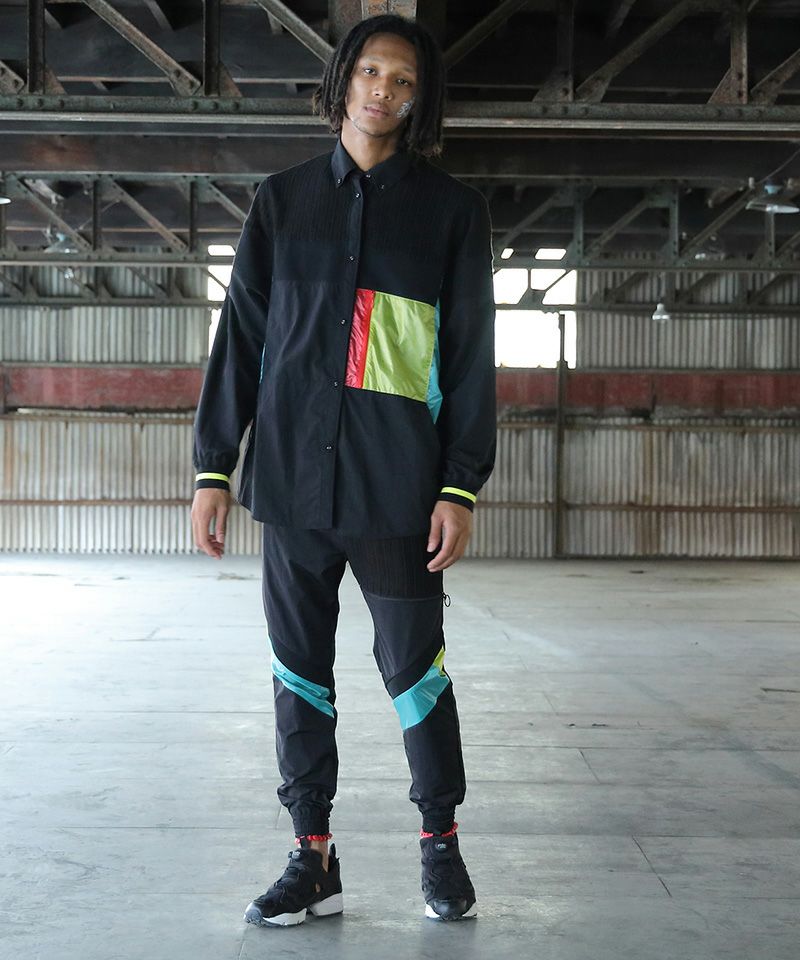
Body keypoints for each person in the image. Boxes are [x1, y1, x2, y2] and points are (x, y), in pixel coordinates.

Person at [190, 12, 496, 926]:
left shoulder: (451, 214)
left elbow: (471, 359)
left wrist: (459, 485)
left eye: (402, 80)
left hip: (398, 490)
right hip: (292, 484)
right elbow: (241, 339)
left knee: (416, 674)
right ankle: (312, 856)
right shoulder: (281, 203)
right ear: (342, 79)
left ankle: (440, 844)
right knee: (298, 674)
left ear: (418, 99)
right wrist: (214, 467)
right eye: (370, 72)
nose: (383, 91)